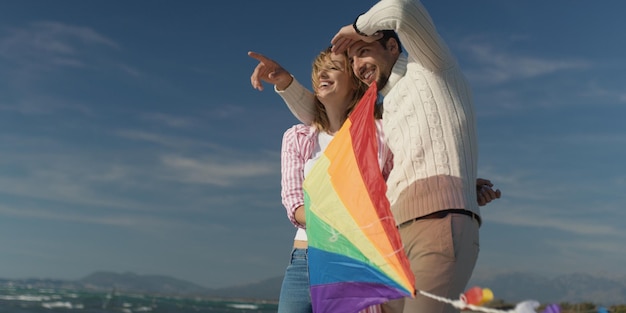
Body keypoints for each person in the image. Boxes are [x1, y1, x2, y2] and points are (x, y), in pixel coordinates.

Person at [260, 0, 500, 312]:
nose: (358, 63)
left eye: (362, 51)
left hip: (426, 227)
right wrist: (287, 84)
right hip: (387, 238)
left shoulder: (428, 67)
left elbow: (403, 9)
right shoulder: (386, 109)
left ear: (391, 47)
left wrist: (355, 29)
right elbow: (326, 118)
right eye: (353, 58)